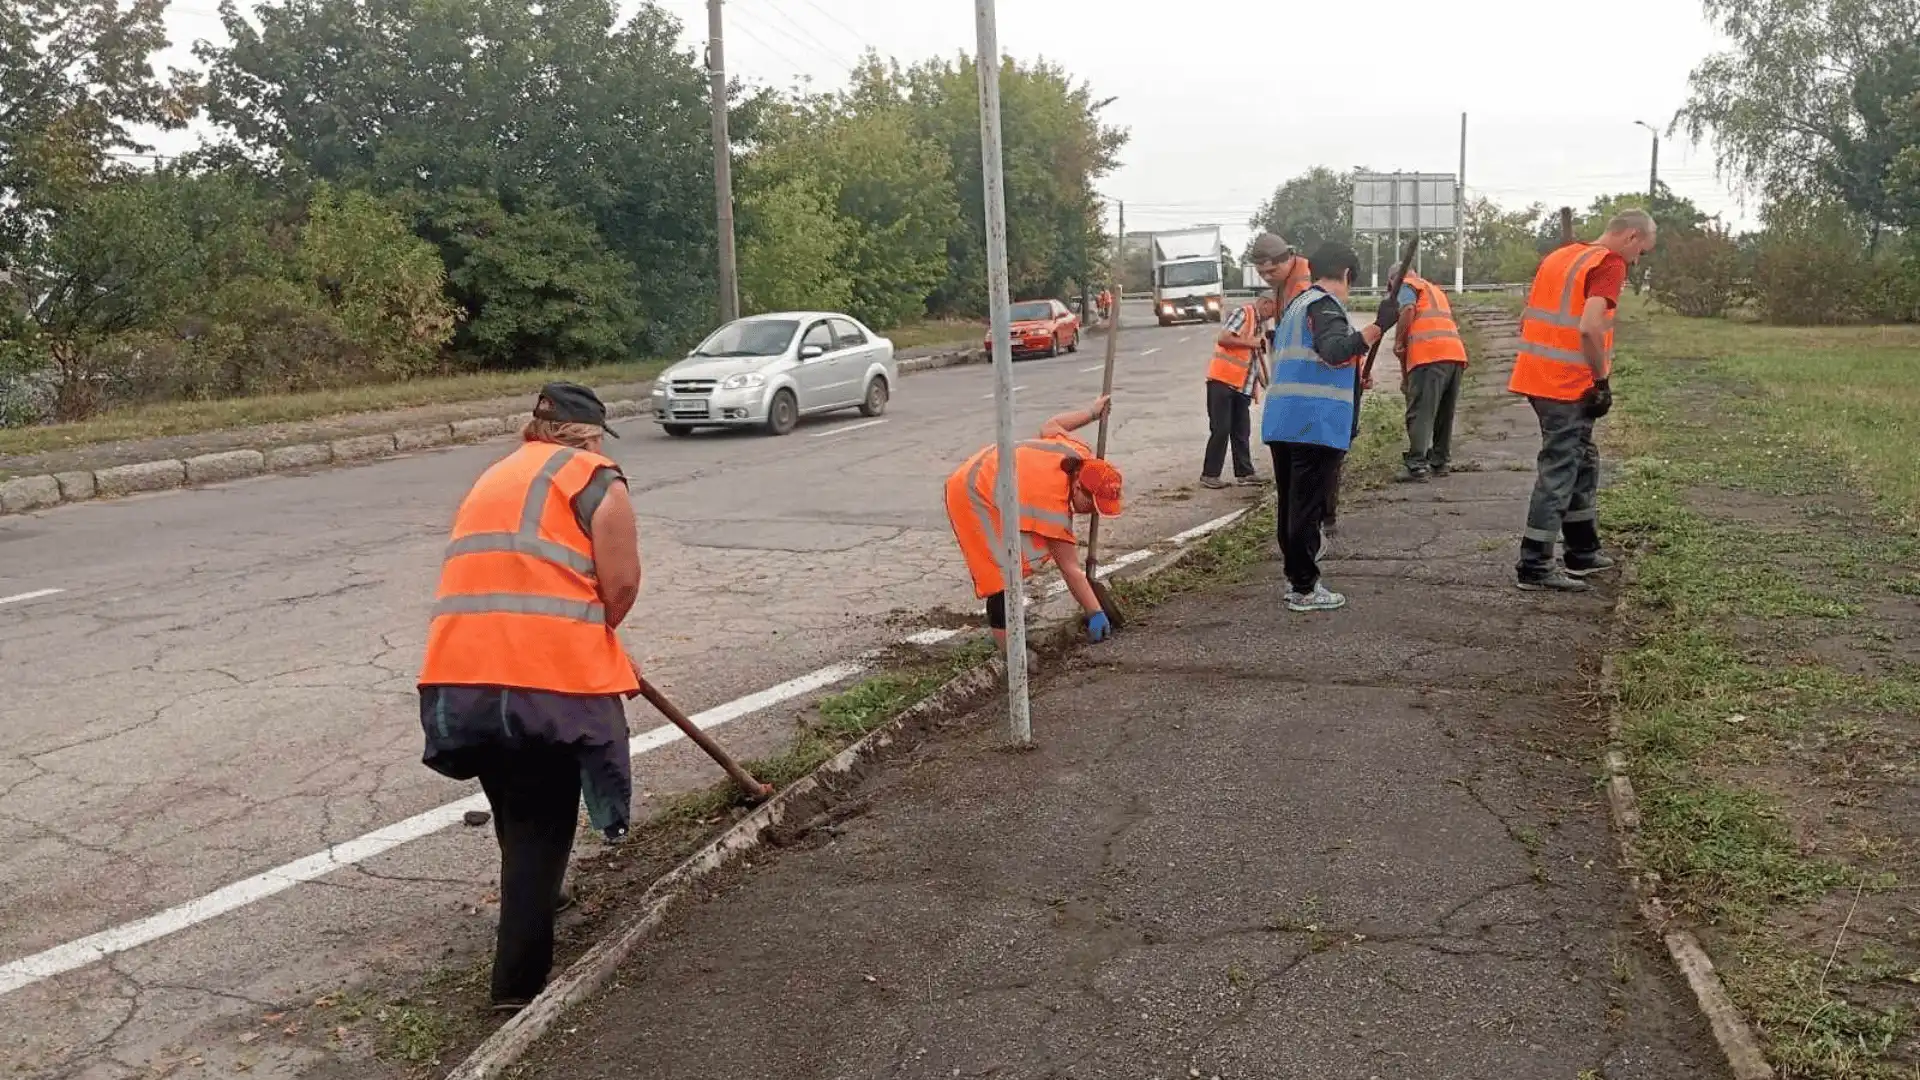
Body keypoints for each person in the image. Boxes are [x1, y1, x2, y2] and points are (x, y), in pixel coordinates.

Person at [415, 382, 642, 1014]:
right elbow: (620, 586)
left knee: (517, 808)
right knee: (542, 829)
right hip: (544, 682)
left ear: (536, 429)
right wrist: (587, 637)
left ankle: (548, 899)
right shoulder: (598, 480)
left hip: (459, 677)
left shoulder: (496, 475)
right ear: (591, 435)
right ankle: (515, 993)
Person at [1510, 208, 1658, 592]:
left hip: (1536, 376)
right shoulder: (1609, 263)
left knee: (1583, 460)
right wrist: (1601, 381)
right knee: (1560, 466)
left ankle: (1582, 550)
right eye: (1641, 251)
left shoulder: (1561, 256)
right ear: (1631, 238)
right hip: (1567, 384)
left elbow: (1526, 316)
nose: (1637, 260)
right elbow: (1590, 327)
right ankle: (1535, 562)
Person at [1261, 243, 1400, 613]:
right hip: (1313, 423)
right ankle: (1305, 588)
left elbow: (1317, 360)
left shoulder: (1297, 306)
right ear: (1348, 275)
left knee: (1293, 505)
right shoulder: (1324, 305)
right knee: (1306, 508)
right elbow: (1334, 350)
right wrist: (1378, 326)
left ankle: (1297, 581)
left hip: (1285, 419)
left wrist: (1355, 379)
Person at [945, 396, 1125, 646]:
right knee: (1002, 576)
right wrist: (1095, 612)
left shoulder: (1078, 454)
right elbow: (1070, 569)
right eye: (1092, 505)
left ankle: (1012, 637)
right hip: (973, 491)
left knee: (1015, 561)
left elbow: (1050, 425)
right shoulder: (1051, 504)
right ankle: (1010, 655)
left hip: (996, 472)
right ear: (1077, 486)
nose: (1093, 512)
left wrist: (1091, 413)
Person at [1392, 267, 1470, 481]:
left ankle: (1416, 464)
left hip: (1430, 355)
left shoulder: (1407, 286)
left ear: (1393, 280)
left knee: (1421, 411)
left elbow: (1407, 309)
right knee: (1445, 411)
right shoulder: (1434, 290)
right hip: (1454, 355)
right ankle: (1440, 461)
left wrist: (1398, 341)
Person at [1201, 292, 1277, 489]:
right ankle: (1210, 475)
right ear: (1265, 303)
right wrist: (1254, 342)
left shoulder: (1261, 325)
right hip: (1223, 381)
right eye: (1274, 308)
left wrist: (1267, 384)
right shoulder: (1244, 313)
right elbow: (1224, 338)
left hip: (1241, 386)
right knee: (1221, 429)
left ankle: (1245, 473)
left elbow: (1255, 360)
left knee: (1241, 431)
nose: (1275, 313)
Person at [1249, 232, 1313, 309]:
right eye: (1261, 273)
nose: (1267, 277)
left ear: (1288, 259)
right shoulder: (1282, 282)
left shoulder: (1305, 288)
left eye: (1272, 271)